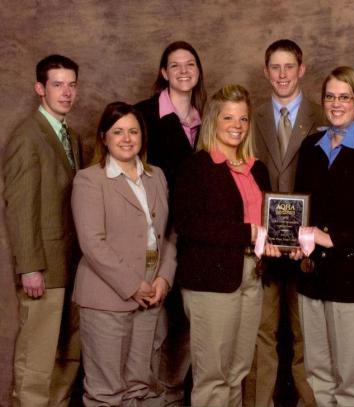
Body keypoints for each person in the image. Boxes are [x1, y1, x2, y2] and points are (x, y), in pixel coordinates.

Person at [294, 66, 354, 406]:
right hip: (311, 279)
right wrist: (296, 242)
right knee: (318, 374)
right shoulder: (310, 147)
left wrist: (331, 238)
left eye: (345, 97)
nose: (336, 104)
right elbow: (301, 207)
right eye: (330, 97)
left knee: (349, 379)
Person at [173, 84, 276, 407]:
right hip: (211, 281)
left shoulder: (256, 168)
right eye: (229, 117)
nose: (237, 125)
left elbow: (269, 222)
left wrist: (283, 240)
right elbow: (189, 225)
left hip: (252, 275)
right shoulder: (197, 166)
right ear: (213, 121)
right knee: (213, 376)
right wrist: (249, 233)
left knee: (237, 372)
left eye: (243, 119)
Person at [71, 101, 176, 406]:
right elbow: (92, 243)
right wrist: (132, 285)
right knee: (106, 391)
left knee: (138, 386)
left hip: (151, 292)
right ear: (104, 136)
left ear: (143, 136)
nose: (127, 138)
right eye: (118, 132)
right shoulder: (90, 180)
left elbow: (169, 234)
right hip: (107, 294)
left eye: (133, 131)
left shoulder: (156, 177)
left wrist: (164, 280)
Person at [246, 38, 321, 407]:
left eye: (289, 67)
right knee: (263, 333)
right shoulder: (249, 117)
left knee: (305, 333)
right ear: (265, 72)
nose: (282, 74)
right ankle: (261, 402)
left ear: (301, 69)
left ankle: (309, 403)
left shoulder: (325, 116)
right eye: (275, 67)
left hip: (307, 249)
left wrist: (313, 237)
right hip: (264, 245)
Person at [3, 54, 82, 407]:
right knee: (37, 356)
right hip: (44, 268)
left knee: (67, 355)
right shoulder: (27, 137)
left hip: (72, 265)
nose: (66, 92)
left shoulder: (72, 136)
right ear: (40, 89)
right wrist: (29, 267)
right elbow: (19, 208)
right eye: (57, 85)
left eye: (71, 85)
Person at [135, 40, 206, 405]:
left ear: (198, 71)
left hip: (195, 237)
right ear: (163, 72)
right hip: (155, 235)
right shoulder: (143, 116)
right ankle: (149, 397)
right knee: (152, 324)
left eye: (189, 64)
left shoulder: (207, 117)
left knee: (185, 325)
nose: (182, 70)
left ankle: (174, 395)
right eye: (174, 65)